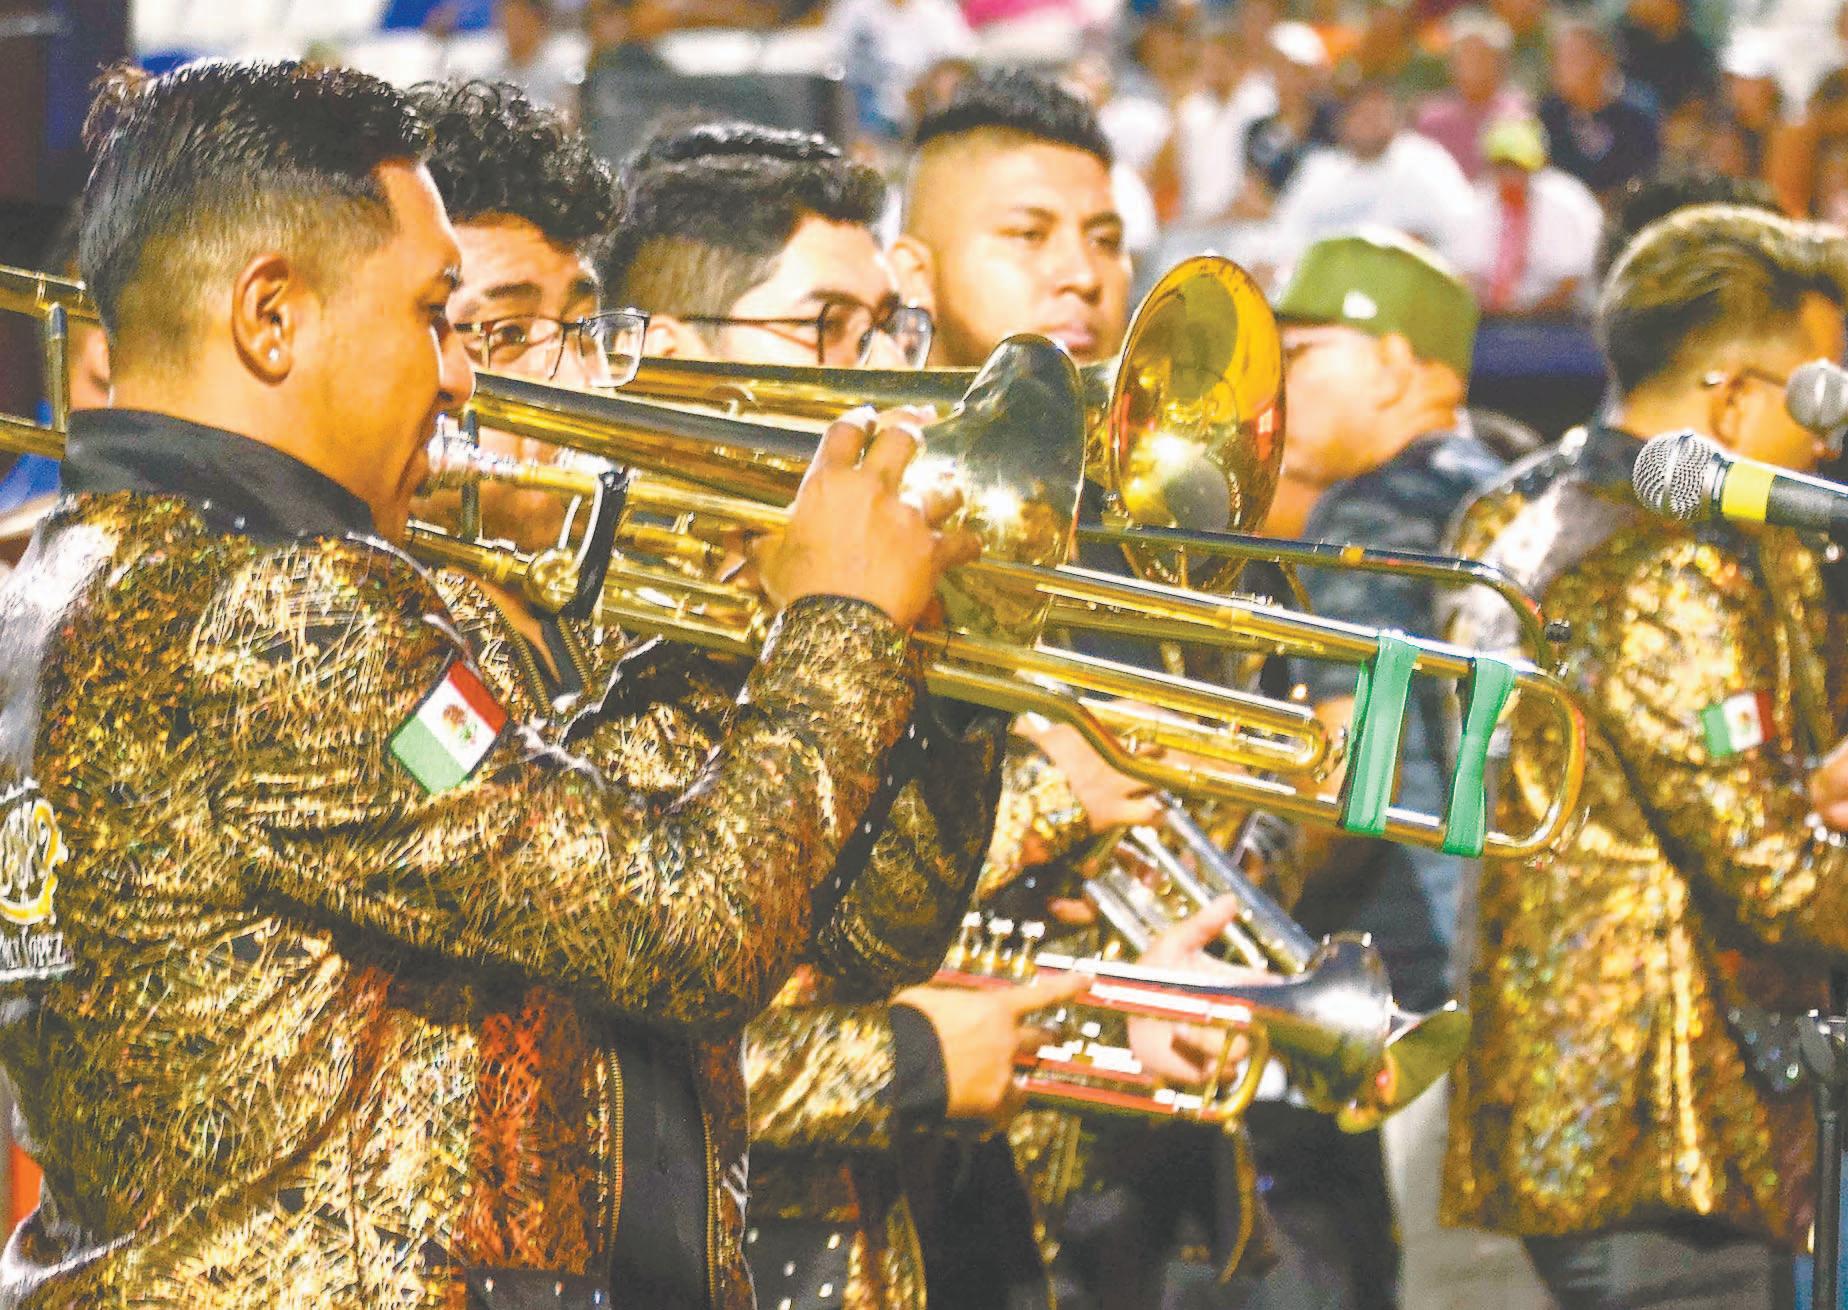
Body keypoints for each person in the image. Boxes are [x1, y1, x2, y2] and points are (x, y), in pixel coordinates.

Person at [0, 58, 972, 1308]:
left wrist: (888, 646)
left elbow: (812, 917)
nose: (460, 375)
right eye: (433, 314)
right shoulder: (281, 608)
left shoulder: (81, 571)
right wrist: (840, 619)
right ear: (269, 315)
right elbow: (691, 928)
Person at [895, 67, 1271, 1310]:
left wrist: (1212, 912)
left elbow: (1247, 754)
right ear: (912, 272)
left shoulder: (1153, 503)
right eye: (1028, 234)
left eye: (1105, 237)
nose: (1082, 271)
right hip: (941, 1166)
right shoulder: (868, 511)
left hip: (1152, 1148)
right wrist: (1059, 803)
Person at [1443, 202, 1848, 1310]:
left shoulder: (1519, 517)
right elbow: (1774, 876)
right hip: (1666, 1131)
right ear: (1732, 395)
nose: (1828, 442)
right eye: (1820, 396)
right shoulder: (1670, 568)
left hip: (1580, 1120)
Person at [1257, 230, 1506, 1310]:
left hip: (1411, 994)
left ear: (1400, 365)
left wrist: (1242, 894)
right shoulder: (1506, 485)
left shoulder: (1373, 509)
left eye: (1305, 353)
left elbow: (1346, 772)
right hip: (1519, 976)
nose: (1280, 383)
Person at [1267, 79, 1476, 272]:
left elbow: (1461, 231)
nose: (1368, 120)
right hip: (1323, 282)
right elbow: (1285, 237)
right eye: (1359, 111)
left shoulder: (1425, 161)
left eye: (1377, 111)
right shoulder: (1319, 170)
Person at [1453, 116, 1602, 317]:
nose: (1510, 175)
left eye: (1517, 167)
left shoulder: (1567, 202)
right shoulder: (1477, 202)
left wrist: (1524, 313)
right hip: (1491, 320)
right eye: (1501, 166)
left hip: (1562, 321)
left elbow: (1570, 282)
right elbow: (1463, 272)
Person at [1538, 19, 1662, 197]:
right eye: (1558, 59)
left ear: (1605, 60)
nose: (1563, 68)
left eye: (1574, 58)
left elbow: (1646, 177)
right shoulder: (1549, 114)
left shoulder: (1636, 112)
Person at [1413, 8, 1531, 181]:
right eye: (1466, 55)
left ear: (1501, 62)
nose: (1473, 63)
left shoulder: (1518, 115)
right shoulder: (1432, 120)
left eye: (1481, 55)